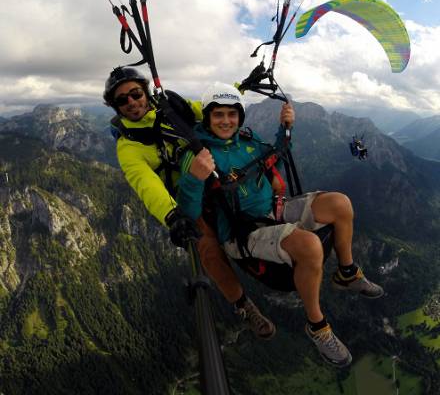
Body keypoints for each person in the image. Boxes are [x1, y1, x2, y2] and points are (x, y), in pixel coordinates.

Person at [177, 82, 384, 368]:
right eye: (218, 115)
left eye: (232, 114)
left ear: (240, 117)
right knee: (310, 245)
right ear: (208, 117)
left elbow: (277, 151)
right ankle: (317, 326)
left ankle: (347, 273)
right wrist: (193, 178)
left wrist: (285, 127)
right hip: (243, 231)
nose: (226, 121)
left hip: (275, 209)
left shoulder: (247, 140)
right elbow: (189, 212)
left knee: (341, 204)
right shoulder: (198, 155)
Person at [103, 67, 275, 339]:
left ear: (145, 92)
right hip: (186, 195)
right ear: (115, 107)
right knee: (206, 247)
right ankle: (244, 305)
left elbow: (207, 107)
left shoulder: (171, 109)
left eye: (135, 93)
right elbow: (146, 184)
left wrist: (242, 86)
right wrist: (173, 216)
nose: (131, 102)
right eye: (122, 100)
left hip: (213, 179)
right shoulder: (129, 146)